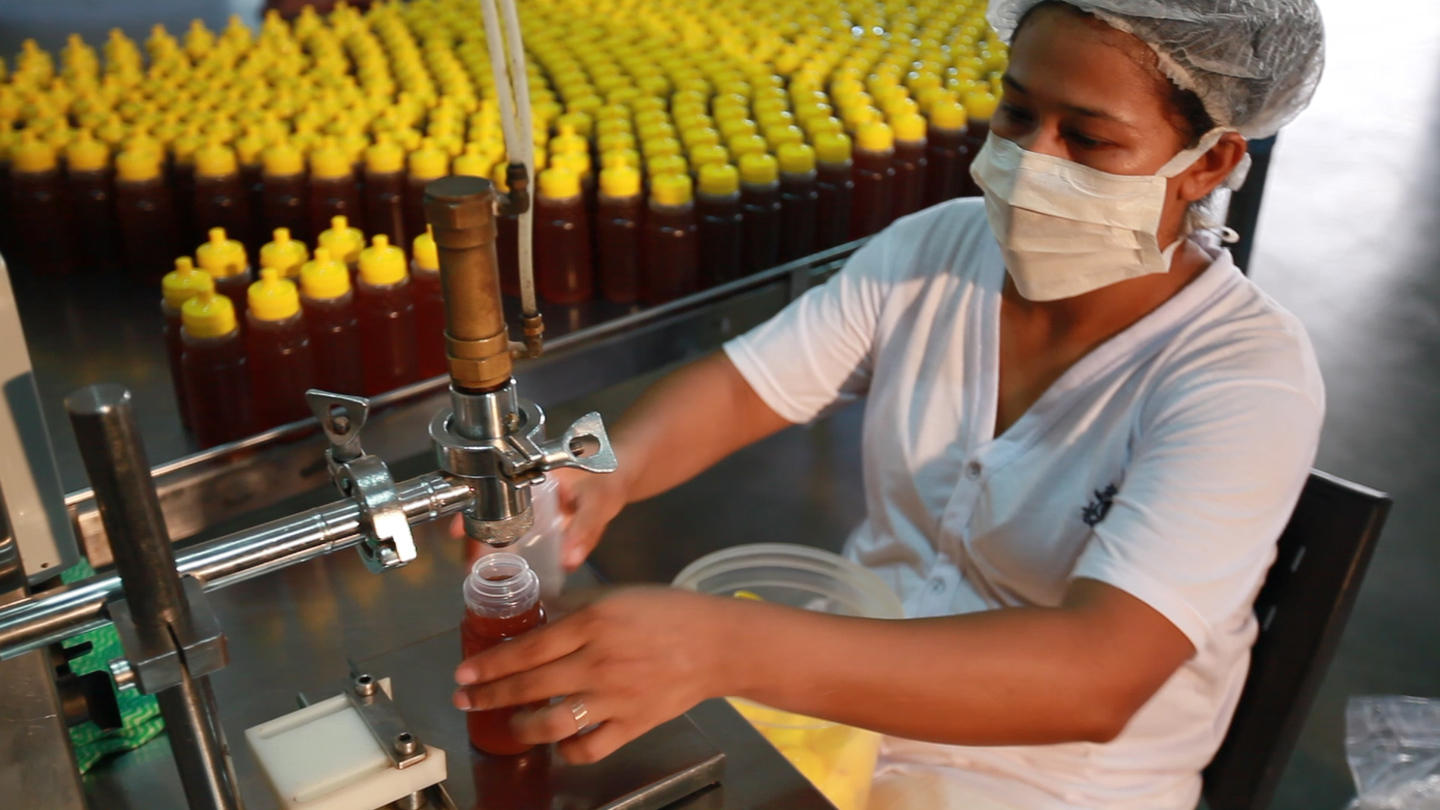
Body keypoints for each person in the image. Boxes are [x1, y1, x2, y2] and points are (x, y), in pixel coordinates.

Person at [450, 0, 1327, 807]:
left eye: (1090, 141)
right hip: (846, 702)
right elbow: (741, 388)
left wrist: (722, 647)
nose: (1029, 163)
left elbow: (1096, 679)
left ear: (1208, 161)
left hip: (1047, 781)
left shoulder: (1242, 380)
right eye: (1017, 113)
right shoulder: (936, 250)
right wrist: (604, 473)